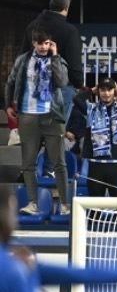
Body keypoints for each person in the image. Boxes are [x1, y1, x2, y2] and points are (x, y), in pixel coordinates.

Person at [7, 30, 71, 216]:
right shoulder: (23, 60)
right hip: (28, 115)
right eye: (40, 43)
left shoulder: (56, 60)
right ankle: (33, 203)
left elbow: (62, 82)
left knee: (59, 163)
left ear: (51, 44)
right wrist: (8, 104)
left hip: (52, 116)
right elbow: (11, 83)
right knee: (28, 163)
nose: (43, 47)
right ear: (34, 43)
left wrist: (56, 56)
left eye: (47, 43)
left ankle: (65, 205)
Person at [74, 77, 117, 197]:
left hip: (116, 163)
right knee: (95, 206)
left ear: (114, 91)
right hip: (96, 164)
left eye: (109, 90)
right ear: (98, 91)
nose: (106, 94)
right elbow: (77, 99)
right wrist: (91, 91)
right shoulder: (91, 109)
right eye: (102, 90)